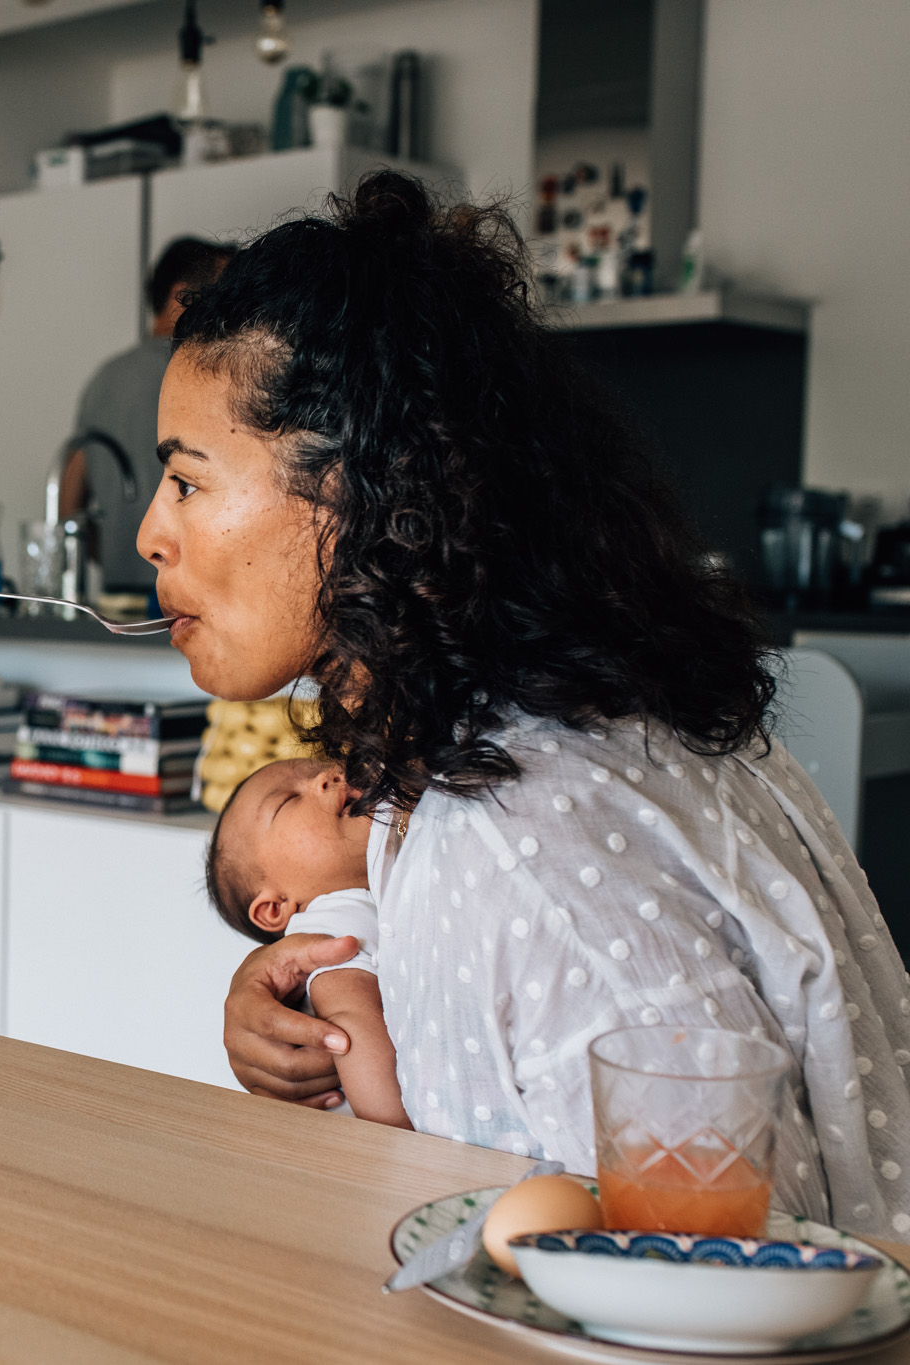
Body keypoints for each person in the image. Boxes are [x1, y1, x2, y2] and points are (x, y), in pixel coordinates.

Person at [139, 170, 910, 1238]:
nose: (149, 534)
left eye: (185, 480)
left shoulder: (517, 842)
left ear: (361, 490)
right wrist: (326, 1004)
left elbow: (704, 1276)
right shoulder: (539, 738)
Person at [207, 757, 409, 1128]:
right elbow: (350, 1030)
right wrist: (401, 1132)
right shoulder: (336, 917)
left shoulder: (379, 891)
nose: (327, 776)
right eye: (286, 801)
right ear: (275, 907)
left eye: (330, 764)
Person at [60, 237, 236, 594]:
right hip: (191, 586)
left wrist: (115, 556)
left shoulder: (104, 379)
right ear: (179, 296)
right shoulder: (205, 372)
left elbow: (70, 496)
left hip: (119, 592)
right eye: (221, 296)